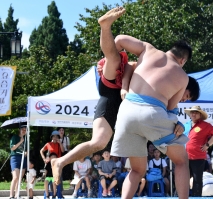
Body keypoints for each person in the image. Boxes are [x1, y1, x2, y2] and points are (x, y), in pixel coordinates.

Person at [50, 7, 189, 186]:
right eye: (186, 96)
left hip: (128, 106)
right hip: (114, 91)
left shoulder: (151, 63)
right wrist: (123, 85)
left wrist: (176, 123)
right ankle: (105, 27)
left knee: (99, 142)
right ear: (182, 61)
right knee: (114, 59)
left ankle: (60, 161)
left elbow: (165, 111)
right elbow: (128, 64)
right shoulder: (148, 59)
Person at [104, 7, 200, 199]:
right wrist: (178, 124)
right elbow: (170, 108)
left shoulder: (148, 50)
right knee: (181, 161)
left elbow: (120, 39)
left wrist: (118, 58)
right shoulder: (182, 77)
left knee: (137, 170)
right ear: (182, 60)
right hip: (153, 112)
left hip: (126, 111)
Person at [183, 105, 213, 196]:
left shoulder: (205, 125)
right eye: (192, 112)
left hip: (198, 157)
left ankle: (197, 197)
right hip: (184, 156)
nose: (193, 114)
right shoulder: (186, 124)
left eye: (196, 112)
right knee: (183, 179)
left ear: (200, 115)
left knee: (197, 180)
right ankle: (182, 196)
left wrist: (207, 145)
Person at [9, 125, 27, 199]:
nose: (24, 131)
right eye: (22, 129)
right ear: (19, 130)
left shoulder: (26, 139)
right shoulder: (14, 137)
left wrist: (26, 153)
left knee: (20, 178)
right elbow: (12, 148)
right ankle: (11, 195)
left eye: (25, 130)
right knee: (15, 177)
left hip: (23, 158)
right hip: (15, 157)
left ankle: (17, 194)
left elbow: (27, 150)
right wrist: (20, 141)